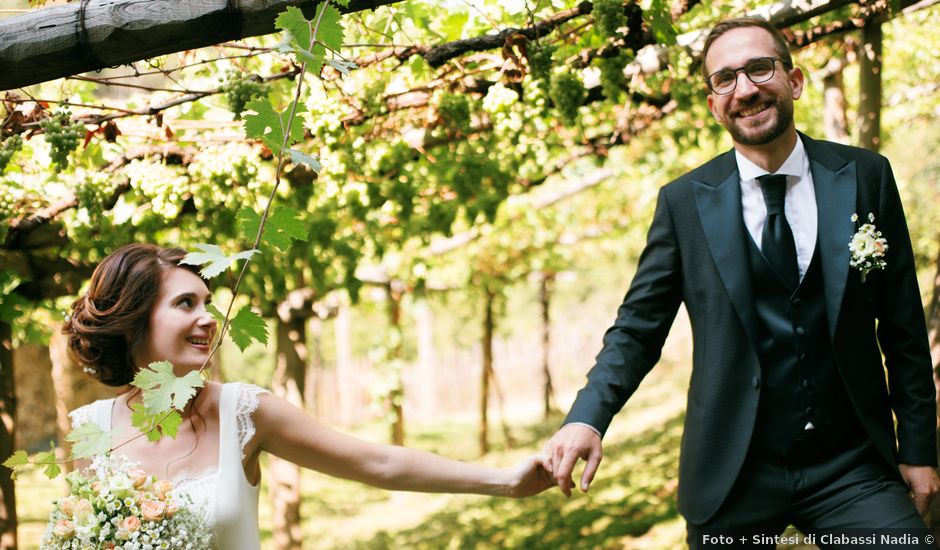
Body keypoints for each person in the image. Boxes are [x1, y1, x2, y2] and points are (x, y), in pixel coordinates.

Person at [543, 17, 939, 546]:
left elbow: (904, 327)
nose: (745, 89)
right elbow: (638, 328)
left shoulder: (866, 176)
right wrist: (587, 419)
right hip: (733, 472)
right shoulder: (683, 203)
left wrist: (918, 452)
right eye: (724, 79)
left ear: (793, 81)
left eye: (759, 69)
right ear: (713, 104)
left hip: (852, 465)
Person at [64, 243, 552, 549]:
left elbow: (375, 463)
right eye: (185, 303)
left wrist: (506, 481)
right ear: (132, 323)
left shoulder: (243, 411)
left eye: (209, 302)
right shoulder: (90, 429)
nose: (209, 318)